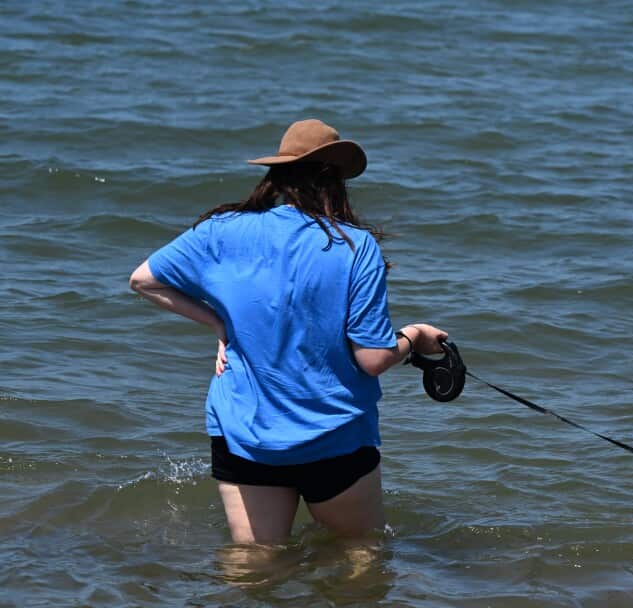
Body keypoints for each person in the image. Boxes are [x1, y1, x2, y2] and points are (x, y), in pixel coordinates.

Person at [130, 119, 446, 546]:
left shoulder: (221, 231)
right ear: (333, 180)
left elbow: (143, 280)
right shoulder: (355, 246)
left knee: (254, 564)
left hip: (247, 435)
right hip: (335, 438)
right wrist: (415, 336)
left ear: (278, 174)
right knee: (359, 556)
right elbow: (371, 359)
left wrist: (221, 324)